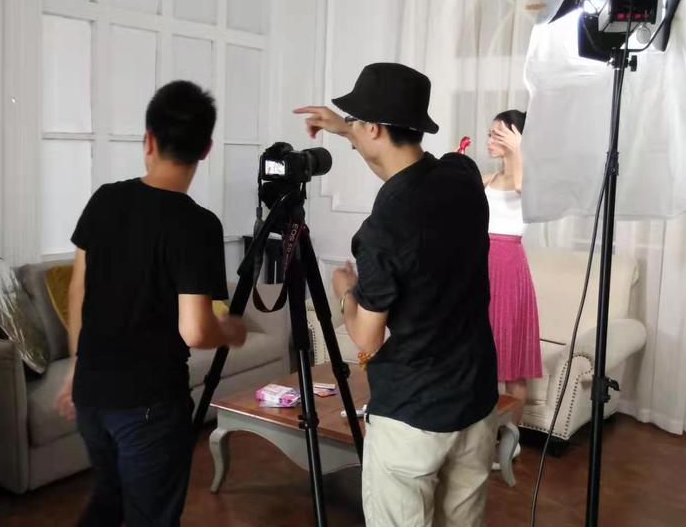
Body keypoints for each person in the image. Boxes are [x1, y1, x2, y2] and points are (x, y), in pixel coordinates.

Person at [295, 63, 499, 526]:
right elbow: (398, 167)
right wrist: (346, 129)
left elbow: (367, 337)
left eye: (358, 122)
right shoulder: (462, 175)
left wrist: (345, 292)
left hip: (413, 414)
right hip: (475, 397)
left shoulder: (383, 228)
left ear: (374, 128)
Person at [54, 80, 247, 527]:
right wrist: (231, 331)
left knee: (107, 502)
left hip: (92, 396)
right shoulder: (197, 225)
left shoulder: (104, 199)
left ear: (149, 140)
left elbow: (78, 290)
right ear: (206, 150)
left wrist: (77, 365)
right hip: (149, 405)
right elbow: (195, 330)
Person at [484, 110, 541, 429]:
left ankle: (511, 439)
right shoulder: (488, 178)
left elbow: (520, 184)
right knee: (480, 352)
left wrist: (520, 148)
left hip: (508, 268)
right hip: (480, 266)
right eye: (490, 133)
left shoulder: (531, 177)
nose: (490, 140)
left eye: (497, 134)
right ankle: (479, 438)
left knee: (513, 363)